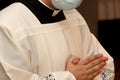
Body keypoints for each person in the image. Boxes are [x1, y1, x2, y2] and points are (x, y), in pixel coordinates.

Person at [0, 0, 115, 80]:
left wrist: (84, 74)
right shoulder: (8, 23)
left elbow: (104, 67)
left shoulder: (74, 16)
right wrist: (71, 77)